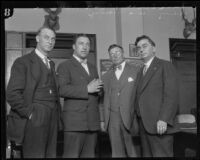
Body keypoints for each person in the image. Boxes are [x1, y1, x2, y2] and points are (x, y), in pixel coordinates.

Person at [6, 26, 63, 158]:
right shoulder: (23, 62)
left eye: (53, 39)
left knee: (51, 154)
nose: (50, 41)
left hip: (52, 117)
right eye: (46, 37)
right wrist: (29, 113)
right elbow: (12, 93)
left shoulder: (51, 64)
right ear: (37, 38)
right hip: (35, 117)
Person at [57, 34, 103, 158]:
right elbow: (62, 89)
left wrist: (99, 90)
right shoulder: (64, 66)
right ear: (74, 47)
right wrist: (87, 89)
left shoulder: (92, 67)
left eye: (87, 44)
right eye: (81, 43)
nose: (85, 47)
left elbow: (96, 91)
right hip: (74, 124)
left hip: (92, 123)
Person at [133, 35, 179, 157]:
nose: (141, 50)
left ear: (154, 48)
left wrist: (164, 118)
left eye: (144, 46)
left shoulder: (165, 65)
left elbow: (171, 95)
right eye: (138, 48)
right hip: (144, 125)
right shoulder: (140, 71)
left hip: (160, 124)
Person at [100, 44, 139, 157]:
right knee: (116, 152)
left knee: (133, 151)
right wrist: (102, 119)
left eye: (117, 52)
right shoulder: (105, 76)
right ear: (109, 57)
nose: (115, 55)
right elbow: (101, 100)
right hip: (112, 118)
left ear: (123, 53)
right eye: (112, 54)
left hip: (131, 117)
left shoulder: (136, 71)